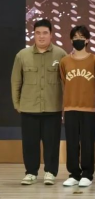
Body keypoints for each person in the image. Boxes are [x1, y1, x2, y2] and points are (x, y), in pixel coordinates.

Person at [11, 19, 67, 186]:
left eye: (45, 33)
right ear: (33, 34)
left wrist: (65, 104)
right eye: (38, 33)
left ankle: (50, 172)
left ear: (51, 35)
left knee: (52, 142)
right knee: (30, 143)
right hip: (29, 107)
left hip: (53, 107)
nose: (41, 36)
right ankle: (31, 173)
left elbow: (66, 82)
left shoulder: (61, 54)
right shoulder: (22, 55)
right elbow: (16, 81)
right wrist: (17, 104)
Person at [59, 25, 95, 188]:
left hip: (88, 108)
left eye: (81, 37)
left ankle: (87, 175)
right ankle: (74, 174)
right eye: (75, 37)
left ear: (87, 40)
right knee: (72, 143)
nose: (78, 40)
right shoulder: (64, 61)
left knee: (87, 142)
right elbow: (64, 80)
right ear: (71, 40)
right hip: (70, 108)